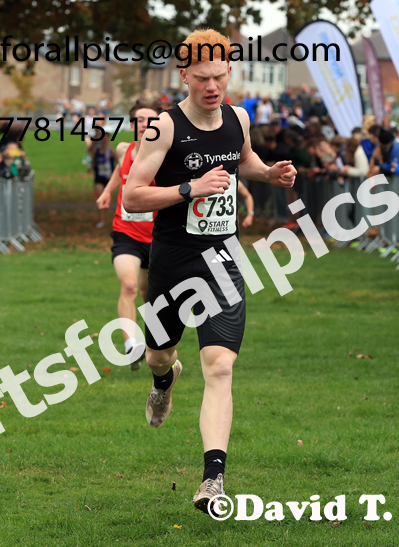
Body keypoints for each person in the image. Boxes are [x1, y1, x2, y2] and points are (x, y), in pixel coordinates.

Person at [122, 28, 296, 516]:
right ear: (184, 76)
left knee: (219, 365)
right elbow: (133, 196)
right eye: (203, 78)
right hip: (173, 261)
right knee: (160, 355)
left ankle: (213, 480)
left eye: (220, 76)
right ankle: (162, 381)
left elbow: (245, 162)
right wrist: (189, 188)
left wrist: (270, 173)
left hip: (222, 259)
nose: (213, 86)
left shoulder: (238, 118)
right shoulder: (163, 127)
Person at [96, 98, 163, 370]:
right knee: (129, 286)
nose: (145, 125)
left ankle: (155, 348)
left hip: (157, 236)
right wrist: (107, 191)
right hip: (126, 232)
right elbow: (120, 172)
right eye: (140, 120)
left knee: (150, 295)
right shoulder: (124, 148)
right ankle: (131, 345)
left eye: (151, 120)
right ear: (132, 123)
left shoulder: (166, 155)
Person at [89, 123, 117, 228]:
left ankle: (117, 217)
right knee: (100, 197)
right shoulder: (97, 151)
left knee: (110, 198)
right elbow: (93, 159)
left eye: (105, 137)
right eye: (102, 137)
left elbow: (120, 163)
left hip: (110, 179)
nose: (104, 140)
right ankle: (101, 219)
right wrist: (91, 167)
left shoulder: (111, 151)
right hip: (99, 178)